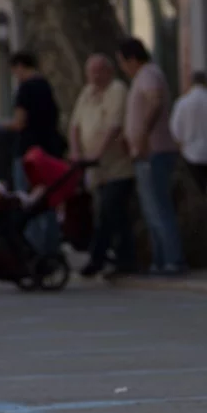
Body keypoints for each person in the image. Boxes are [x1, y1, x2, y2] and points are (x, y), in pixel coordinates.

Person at [118, 37, 187, 275]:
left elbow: (156, 101)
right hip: (146, 152)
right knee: (151, 208)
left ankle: (172, 259)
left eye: (123, 63)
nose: (123, 69)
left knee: (158, 207)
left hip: (154, 151)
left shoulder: (148, 75)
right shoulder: (144, 76)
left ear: (132, 59)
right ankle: (160, 259)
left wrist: (143, 135)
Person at [69, 54, 138, 279]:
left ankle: (98, 259)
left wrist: (97, 153)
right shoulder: (86, 93)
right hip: (94, 170)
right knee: (113, 215)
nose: (96, 76)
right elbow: (75, 126)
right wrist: (77, 152)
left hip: (116, 166)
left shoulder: (117, 90)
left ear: (109, 71)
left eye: (100, 71)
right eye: (92, 72)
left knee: (109, 211)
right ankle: (123, 259)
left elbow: (114, 126)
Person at [6, 51, 67, 256]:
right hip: (47, 152)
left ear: (20, 66)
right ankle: (50, 247)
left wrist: (5, 126)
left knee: (27, 200)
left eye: (15, 71)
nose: (16, 75)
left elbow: (19, 121)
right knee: (46, 200)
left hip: (27, 152)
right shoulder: (45, 86)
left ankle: (32, 248)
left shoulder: (25, 88)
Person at [169, 70, 207, 197]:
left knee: (198, 193)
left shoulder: (182, 103)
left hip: (192, 155)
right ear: (206, 82)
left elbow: (175, 132)